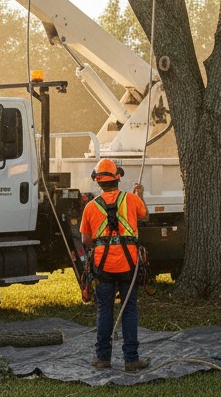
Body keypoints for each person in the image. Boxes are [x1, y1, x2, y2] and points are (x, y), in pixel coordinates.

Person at [79, 158, 150, 372]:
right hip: (129, 264)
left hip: (103, 266)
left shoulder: (91, 207)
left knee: (104, 310)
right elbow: (144, 217)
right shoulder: (131, 199)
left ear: (98, 181)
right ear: (118, 178)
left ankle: (102, 358)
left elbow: (85, 240)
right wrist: (140, 196)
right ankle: (131, 359)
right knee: (129, 310)